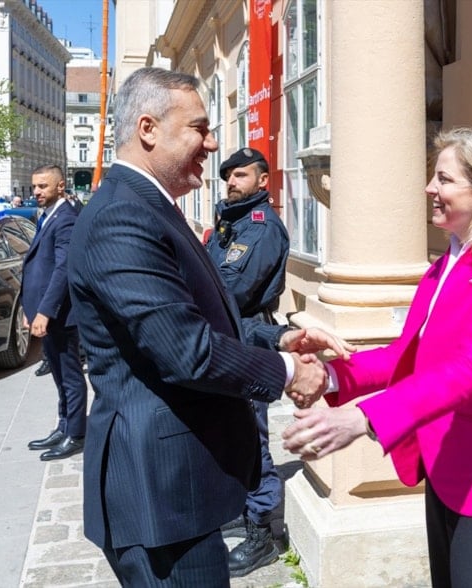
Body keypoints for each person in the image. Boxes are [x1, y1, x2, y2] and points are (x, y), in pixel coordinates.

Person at [66, 67, 352, 587]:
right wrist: (290, 370)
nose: (213, 143)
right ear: (148, 129)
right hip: (159, 492)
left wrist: (279, 337)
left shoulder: (149, 205)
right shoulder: (122, 216)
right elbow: (188, 350)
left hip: (179, 487)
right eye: (199, 128)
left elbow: (197, 315)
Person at [283, 127, 472, 588]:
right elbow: (409, 356)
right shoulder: (445, 265)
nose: (430, 188)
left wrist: (363, 419)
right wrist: (328, 375)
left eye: (444, 179)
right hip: (449, 471)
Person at [205, 147, 290, 577]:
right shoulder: (231, 223)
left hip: (249, 337)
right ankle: (245, 508)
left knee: (254, 439)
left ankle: (265, 534)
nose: (232, 183)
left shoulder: (261, 227)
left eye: (241, 175)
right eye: (228, 176)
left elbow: (231, 290)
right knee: (234, 433)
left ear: (262, 181)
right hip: (228, 336)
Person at [22, 164, 88, 461]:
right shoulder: (48, 215)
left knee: (70, 374)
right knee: (59, 374)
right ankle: (63, 426)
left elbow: (62, 269)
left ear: (60, 186)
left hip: (61, 314)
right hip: (46, 312)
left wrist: (45, 312)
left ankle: (76, 433)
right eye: (34, 186)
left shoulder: (66, 219)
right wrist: (31, 309)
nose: (36, 192)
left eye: (43, 186)